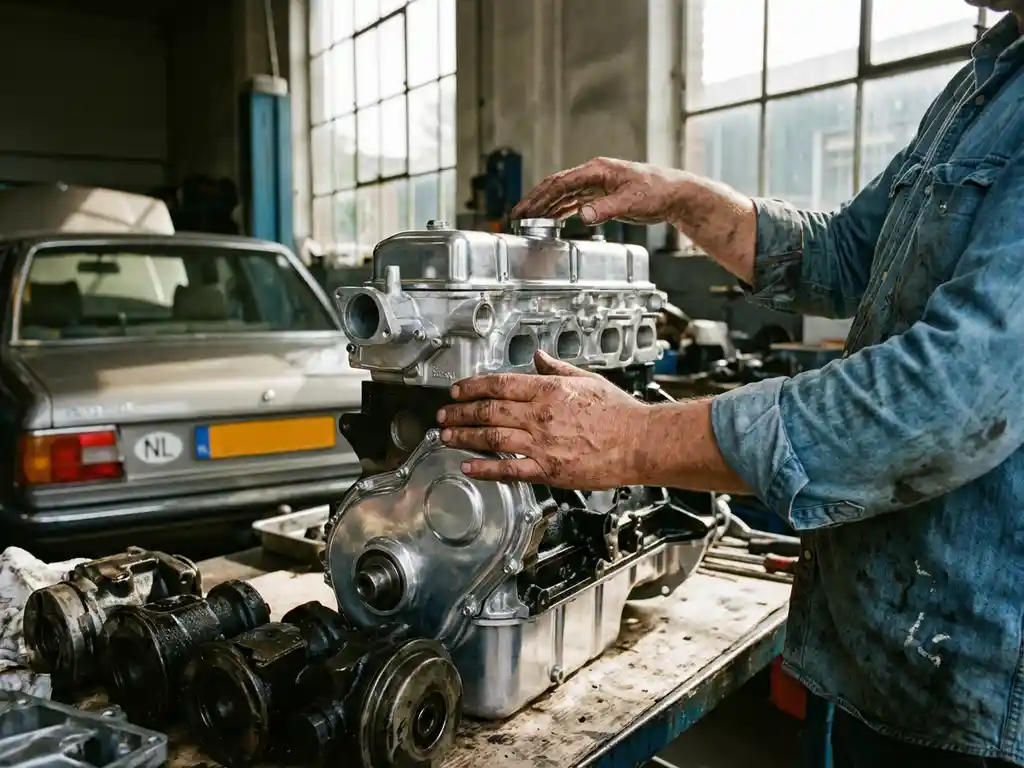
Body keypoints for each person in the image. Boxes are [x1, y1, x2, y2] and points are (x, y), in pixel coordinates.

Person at [433, 3, 1024, 767]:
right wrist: (682, 197)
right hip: (883, 651)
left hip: (981, 686)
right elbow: (846, 255)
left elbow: (947, 400)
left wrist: (633, 438)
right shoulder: (985, 83)